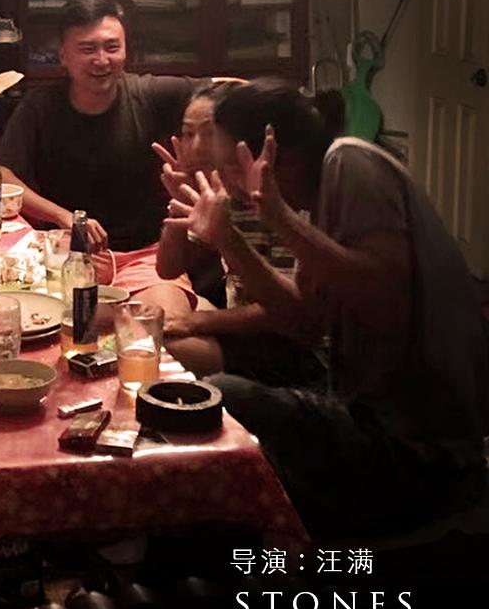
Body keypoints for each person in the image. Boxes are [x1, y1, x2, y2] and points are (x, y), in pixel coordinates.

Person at [167, 78, 489, 535]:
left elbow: (382, 298)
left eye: (230, 169)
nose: (229, 187)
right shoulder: (318, 199)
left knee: (222, 398)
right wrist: (228, 239)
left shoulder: (351, 163)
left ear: (276, 158)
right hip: (362, 411)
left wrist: (277, 217)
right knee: (205, 407)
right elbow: (303, 322)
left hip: (422, 453)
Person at [0, 0, 195, 315]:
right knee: (39, 327)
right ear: (63, 55)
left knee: (163, 328)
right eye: (87, 49)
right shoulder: (40, 106)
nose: (102, 60)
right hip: (66, 256)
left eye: (112, 47)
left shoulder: (151, 93)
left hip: (145, 257)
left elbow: (228, 90)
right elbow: (4, 176)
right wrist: (63, 216)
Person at [153, 79, 327, 386]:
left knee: (159, 348)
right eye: (188, 133)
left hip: (293, 348)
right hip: (250, 328)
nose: (197, 147)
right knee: (150, 322)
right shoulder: (225, 193)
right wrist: (179, 203)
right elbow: (168, 268)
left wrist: (200, 321)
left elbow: (290, 312)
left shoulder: (285, 200)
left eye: (209, 133)